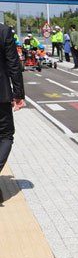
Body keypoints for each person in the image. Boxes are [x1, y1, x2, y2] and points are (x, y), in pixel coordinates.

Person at [0, 23, 25, 174]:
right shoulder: (3, 31)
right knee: (6, 136)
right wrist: (18, 94)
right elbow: (14, 65)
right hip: (1, 94)